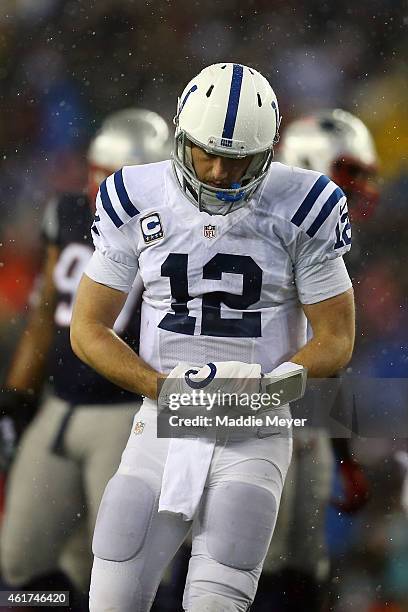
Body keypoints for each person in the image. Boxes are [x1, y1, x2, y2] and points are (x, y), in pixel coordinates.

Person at [70, 63, 356, 612]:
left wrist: (272, 390)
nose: (222, 171)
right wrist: (160, 389)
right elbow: (88, 327)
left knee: (221, 584)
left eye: (239, 157)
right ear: (180, 136)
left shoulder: (305, 204)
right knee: (113, 580)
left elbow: (337, 336)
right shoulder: (135, 194)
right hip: (166, 411)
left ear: (269, 150)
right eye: (208, 153)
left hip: (258, 419)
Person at [0, 108, 170, 601]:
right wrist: (17, 393)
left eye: (119, 179)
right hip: (59, 405)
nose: (106, 191)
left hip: (125, 413)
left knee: (119, 567)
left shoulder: (172, 231)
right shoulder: (68, 214)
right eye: (100, 177)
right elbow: (44, 311)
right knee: (19, 563)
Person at [253, 109, 377, 612]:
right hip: (253, 412)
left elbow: (331, 357)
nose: (361, 187)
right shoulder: (261, 227)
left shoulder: (317, 235)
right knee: (254, 567)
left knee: (301, 572)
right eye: (349, 172)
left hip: (299, 412)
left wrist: (342, 453)